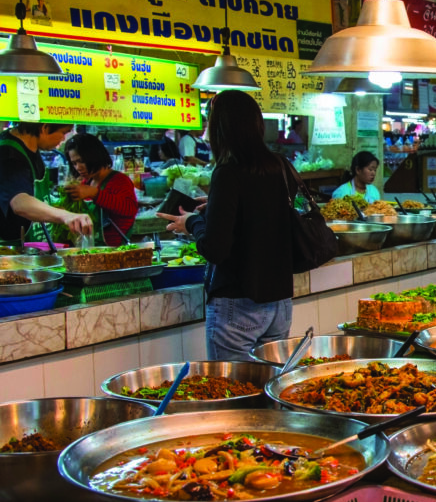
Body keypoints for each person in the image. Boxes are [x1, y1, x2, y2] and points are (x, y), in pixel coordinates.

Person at [158, 90, 296, 361]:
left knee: (234, 393)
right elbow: (263, 215)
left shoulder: (228, 172)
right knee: (271, 390)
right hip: (279, 302)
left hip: (238, 304)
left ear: (220, 127)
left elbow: (215, 249)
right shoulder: (278, 166)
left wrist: (192, 222)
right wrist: (218, 204)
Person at [0, 121, 92, 246]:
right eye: (63, 132)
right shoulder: (9, 154)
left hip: (32, 248)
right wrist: (66, 216)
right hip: (10, 251)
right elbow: (19, 202)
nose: (63, 138)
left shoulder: (32, 148)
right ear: (44, 128)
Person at [63, 133, 138, 246]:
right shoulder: (86, 182)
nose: (78, 167)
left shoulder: (119, 181)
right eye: (74, 163)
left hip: (114, 251)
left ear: (94, 156)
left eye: (81, 161)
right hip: (90, 249)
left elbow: (130, 209)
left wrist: (94, 193)